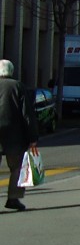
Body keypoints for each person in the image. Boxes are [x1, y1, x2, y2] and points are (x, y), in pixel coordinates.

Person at [0, 59, 40, 212]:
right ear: (11, 71)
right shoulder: (17, 86)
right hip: (14, 134)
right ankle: (13, 198)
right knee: (16, 167)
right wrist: (33, 137)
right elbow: (27, 114)